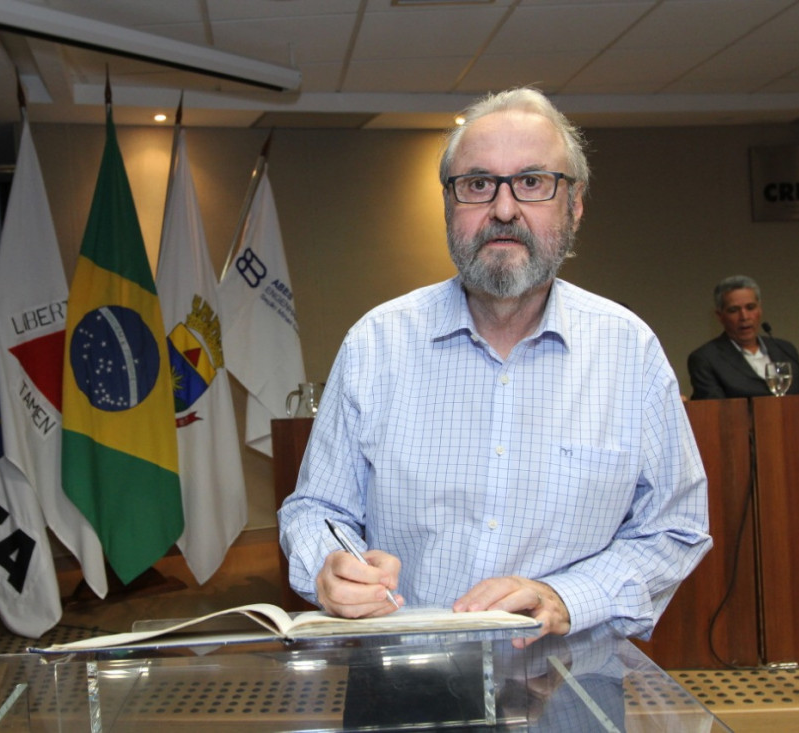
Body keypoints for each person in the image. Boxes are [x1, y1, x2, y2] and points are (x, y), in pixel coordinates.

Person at [278, 87, 710, 647]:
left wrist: (566, 597)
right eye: (478, 184)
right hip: (403, 673)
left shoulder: (629, 352)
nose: (504, 209)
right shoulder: (376, 344)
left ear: (575, 205)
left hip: (567, 675)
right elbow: (317, 508)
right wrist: (331, 563)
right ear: (449, 205)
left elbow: (675, 526)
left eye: (532, 182)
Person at [687, 275, 799, 399]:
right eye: (734, 310)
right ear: (720, 316)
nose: (744, 317)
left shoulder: (785, 350)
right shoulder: (705, 359)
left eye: (750, 307)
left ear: (760, 309)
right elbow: (714, 408)